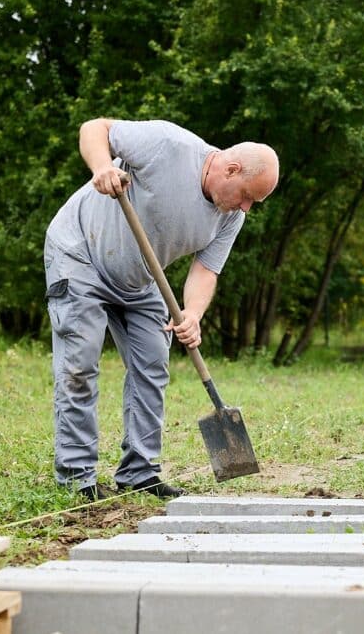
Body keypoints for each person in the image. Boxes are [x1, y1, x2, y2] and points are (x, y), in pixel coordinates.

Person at [43, 119, 279, 500]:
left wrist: (193, 314)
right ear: (230, 169)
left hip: (139, 276)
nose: (248, 208)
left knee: (153, 364)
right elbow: (95, 127)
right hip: (80, 253)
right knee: (80, 364)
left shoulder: (230, 216)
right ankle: (76, 478)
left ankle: (139, 472)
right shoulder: (168, 146)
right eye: (248, 196)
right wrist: (103, 167)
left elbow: (206, 270)